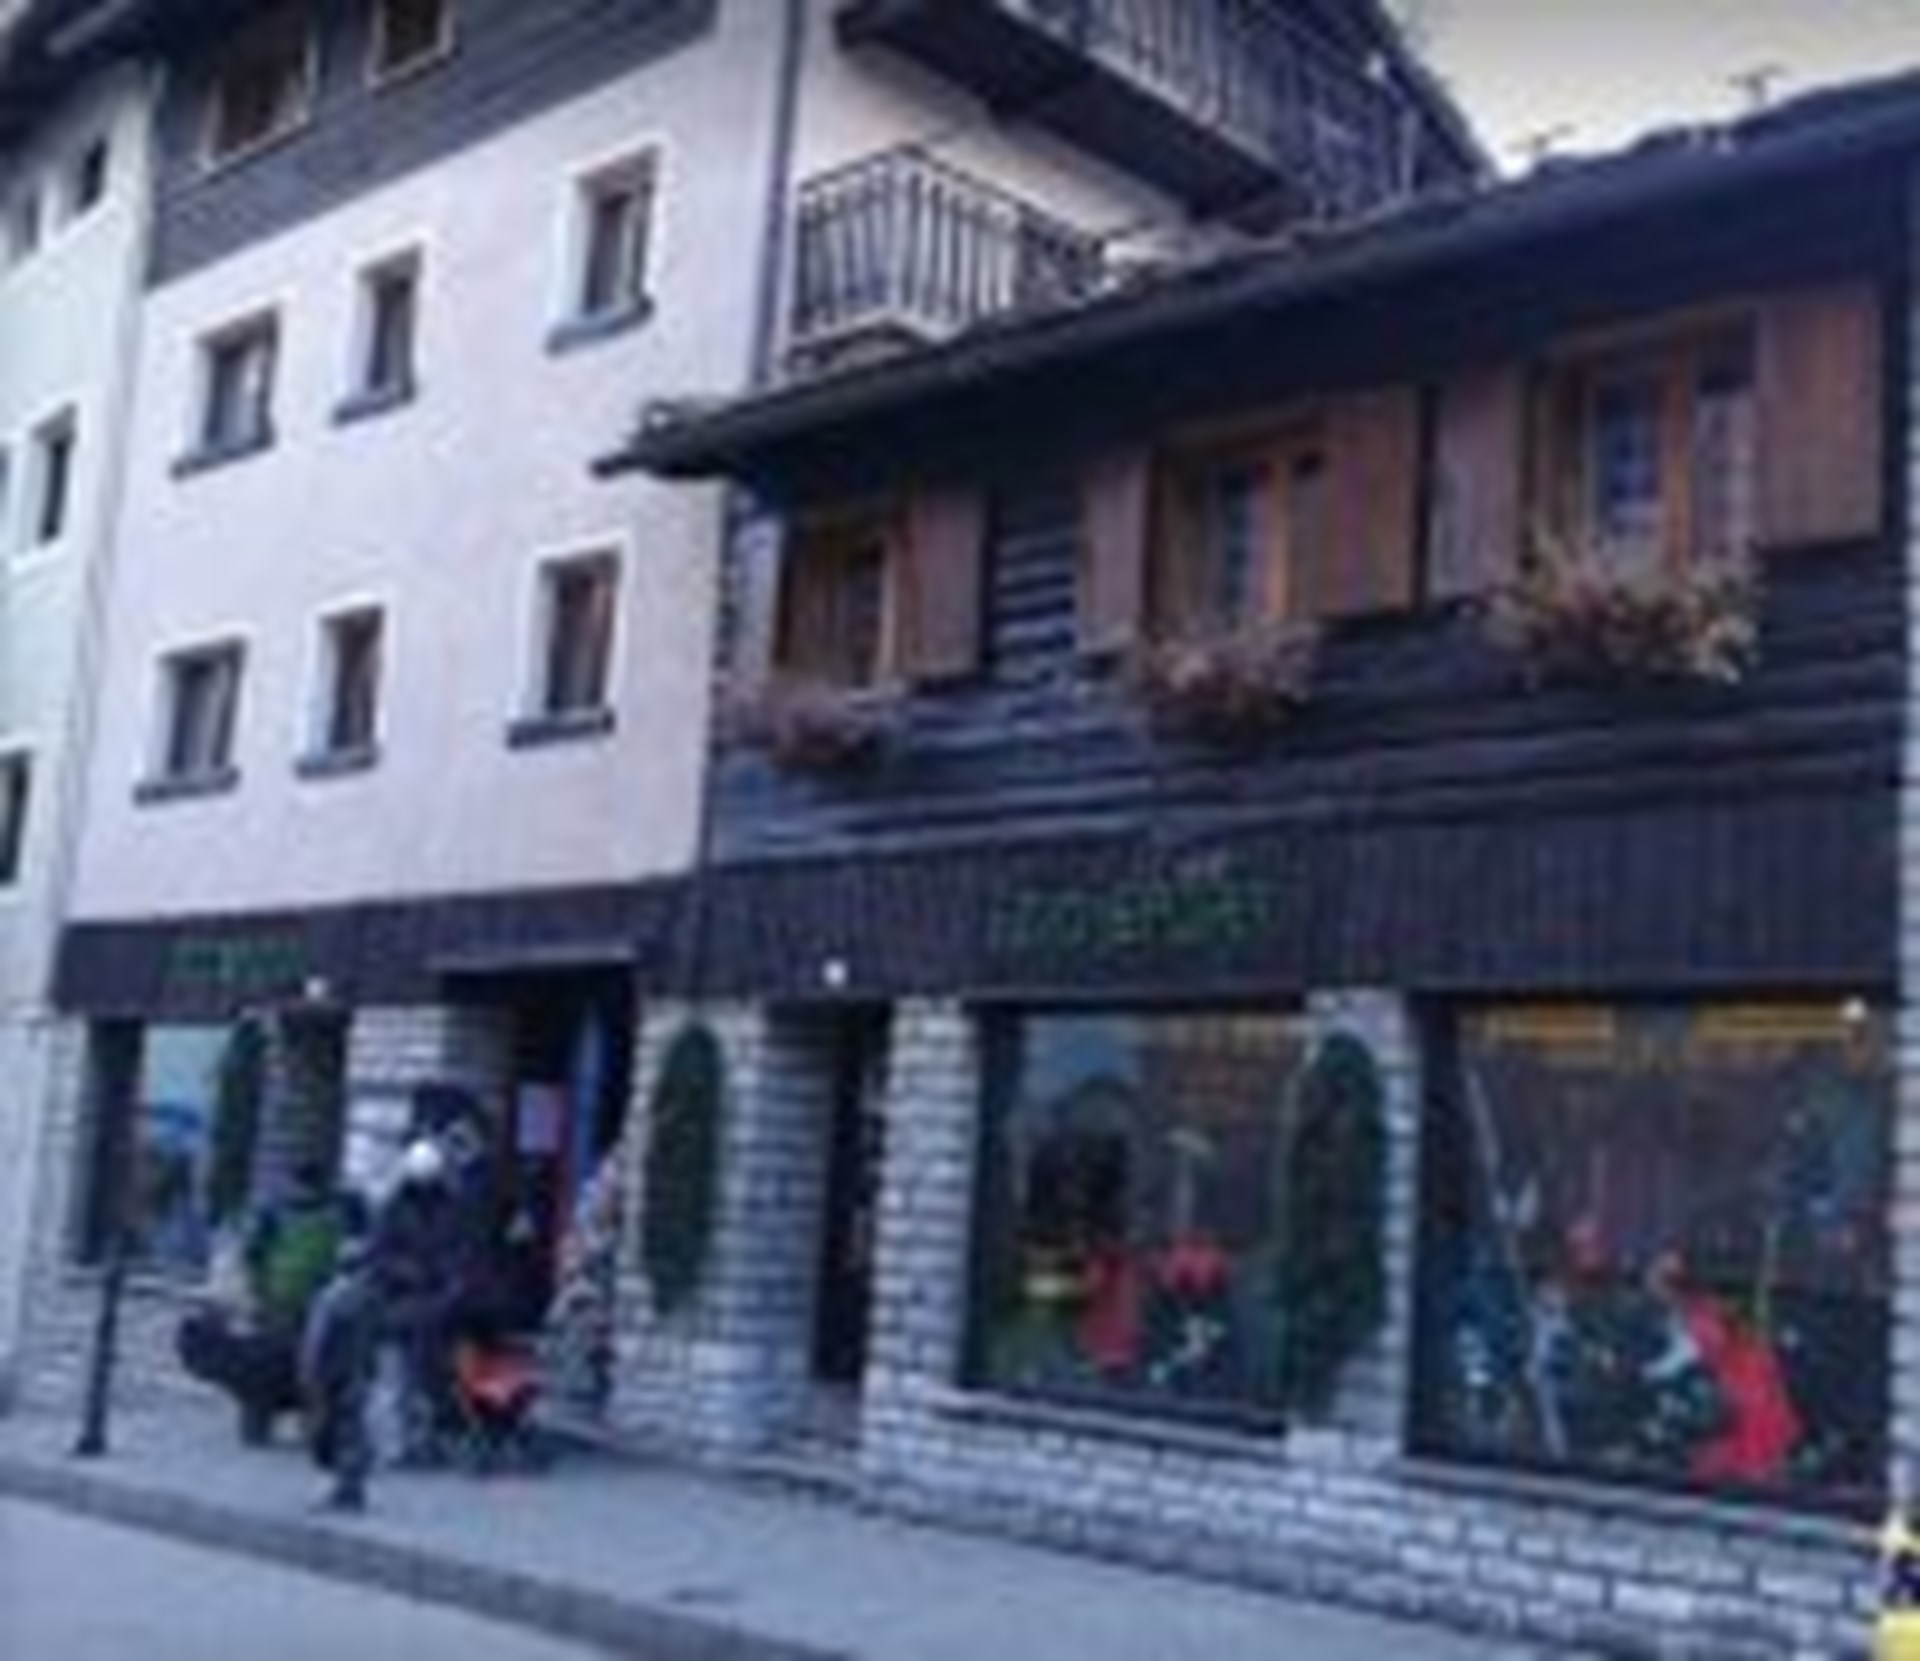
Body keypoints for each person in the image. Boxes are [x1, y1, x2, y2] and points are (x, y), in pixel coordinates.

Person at [371, 1136, 462, 1464]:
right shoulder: (392, 1208)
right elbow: (379, 1256)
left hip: (438, 1308)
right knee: (395, 1377)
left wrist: (451, 1283)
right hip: (398, 1305)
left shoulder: (450, 1206)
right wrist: (408, 1272)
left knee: (432, 1379)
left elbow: (458, 1251)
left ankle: (424, 1442)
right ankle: (394, 1443)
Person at [301, 1235, 382, 1513]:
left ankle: (343, 1488)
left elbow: (315, 1341)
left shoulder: (330, 1297)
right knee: (352, 1432)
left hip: (332, 1375)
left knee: (332, 1431)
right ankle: (351, 1487)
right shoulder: (369, 1297)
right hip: (357, 1375)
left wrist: (309, 1374)